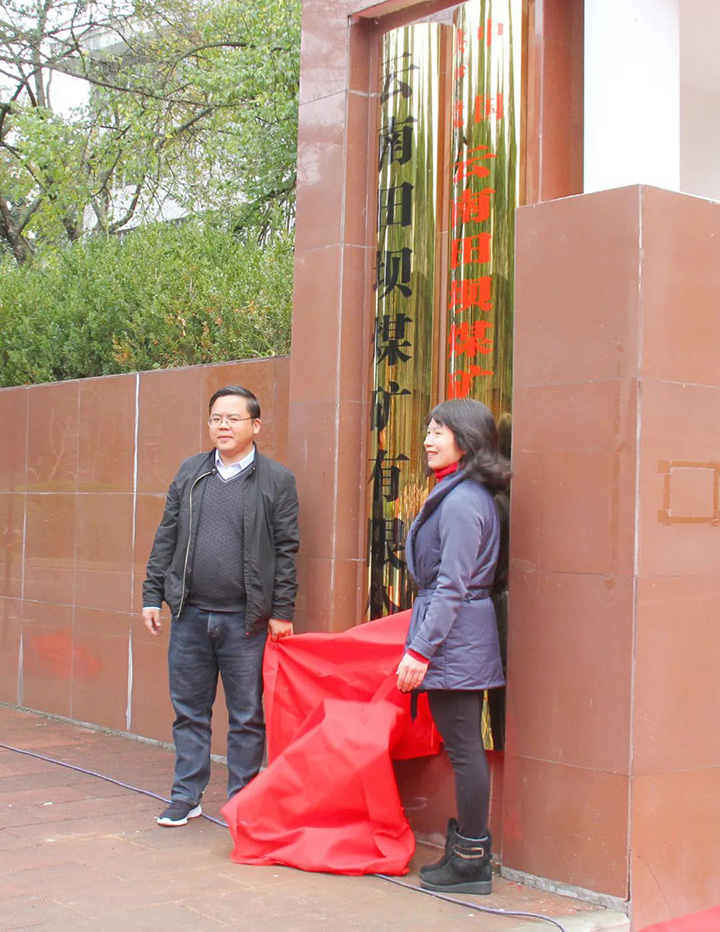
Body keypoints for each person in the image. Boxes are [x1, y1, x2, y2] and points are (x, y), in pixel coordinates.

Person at [142, 385, 299, 827]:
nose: (223, 426)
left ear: (255, 425)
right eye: (216, 418)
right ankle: (185, 796)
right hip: (190, 615)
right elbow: (166, 535)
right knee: (189, 711)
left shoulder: (276, 480)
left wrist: (281, 612)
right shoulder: (191, 472)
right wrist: (152, 594)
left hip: (246, 621)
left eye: (233, 418)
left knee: (247, 716)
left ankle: (242, 803)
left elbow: (287, 549)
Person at [396, 398, 511, 894]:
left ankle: (471, 860)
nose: (427, 439)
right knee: (464, 748)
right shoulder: (458, 490)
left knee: (464, 751)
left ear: (465, 440)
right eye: (427, 430)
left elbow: (452, 586)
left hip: (456, 636)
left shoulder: (463, 500)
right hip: (459, 634)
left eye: (438, 431)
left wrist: (420, 650)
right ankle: (468, 851)